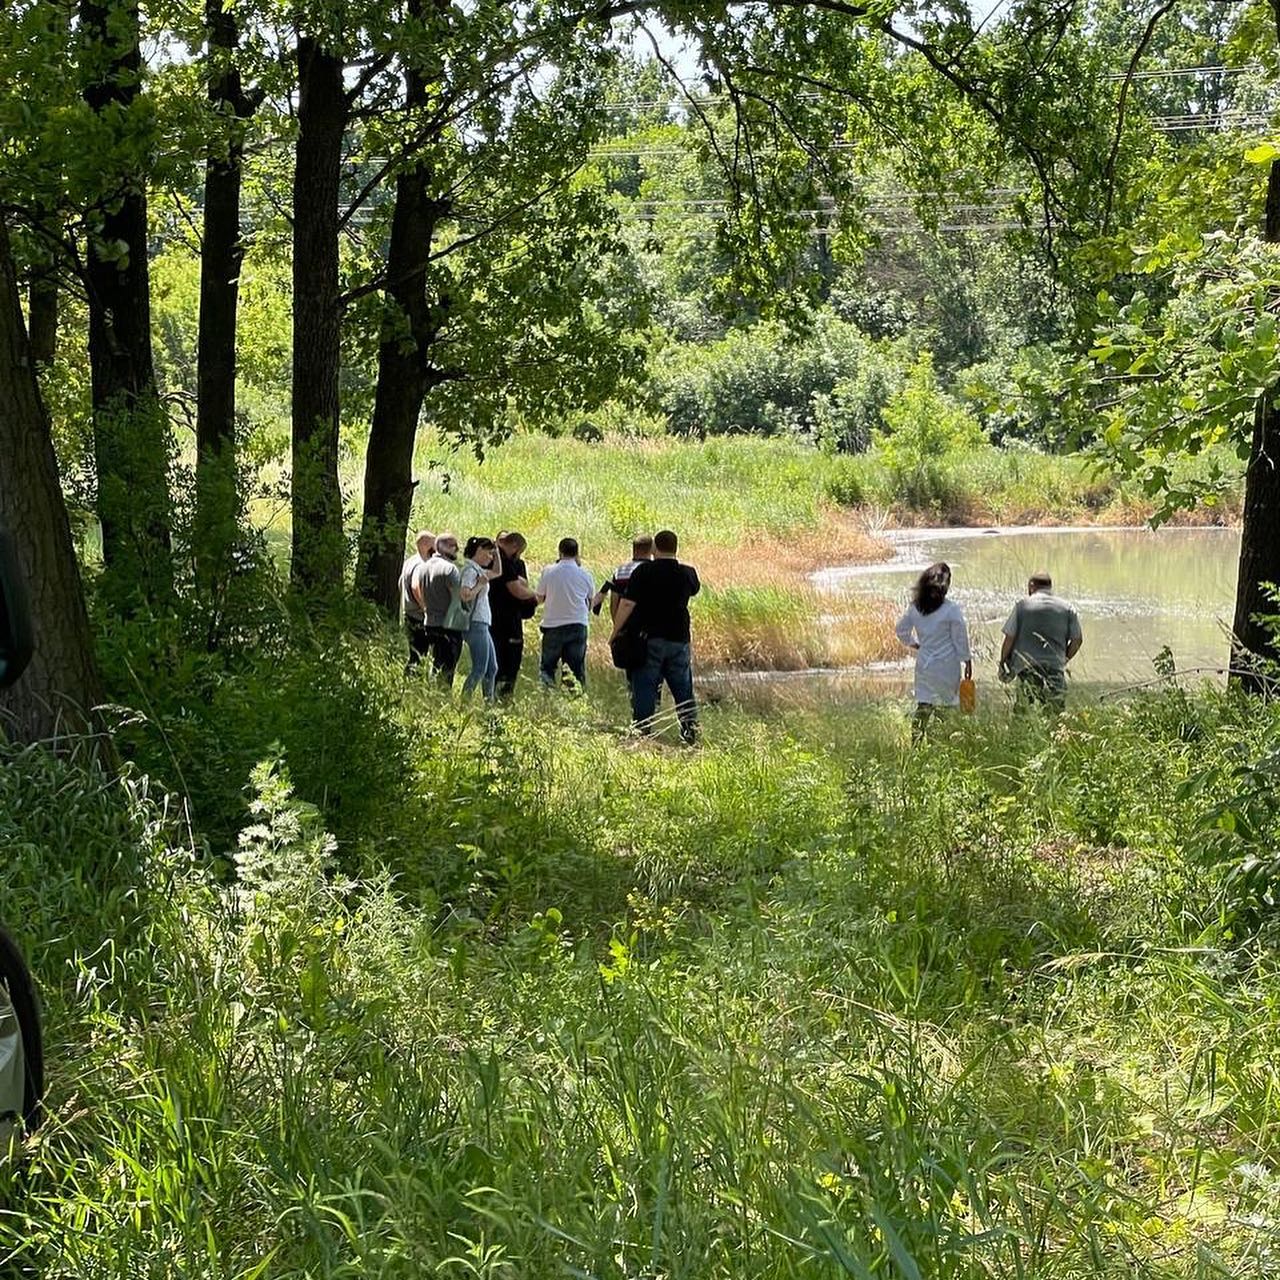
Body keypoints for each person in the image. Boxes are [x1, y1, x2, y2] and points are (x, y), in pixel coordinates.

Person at [611, 528, 700, 744]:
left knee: (645, 687)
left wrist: (615, 632)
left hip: (649, 638)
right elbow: (694, 590)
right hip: (679, 638)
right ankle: (690, 733)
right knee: (683, 688)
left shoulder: (643, 572)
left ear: (654, 549)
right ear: (675, 548)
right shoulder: (688, 573)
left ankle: (643, 734)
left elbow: (627, 603)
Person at [894, 561, 972, 738]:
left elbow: (901, 630)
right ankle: (942, 742)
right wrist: (966, 660)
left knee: (924, 704)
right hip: (947, 665)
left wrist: (915, 645)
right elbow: (960, 638)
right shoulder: (951, 609)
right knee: (946, 705)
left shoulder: (916, 608)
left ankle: (915, 743)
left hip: (925, 664)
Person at [1000, 570, 1083, 711]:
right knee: (1055, 715)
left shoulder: (1022, 607)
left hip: (1027, 669)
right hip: (1055, 669)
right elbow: (1077, 640)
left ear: (1032, 586)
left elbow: (1009, 638)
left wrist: (1002, 662)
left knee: (1024, 714)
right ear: (1050, 587)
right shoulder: (1067, 608)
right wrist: (1064, 658)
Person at [535, 537, 595, 688]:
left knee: (548, 667)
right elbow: (590, 601)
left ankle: (547, 698)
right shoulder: (585, 574)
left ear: (560, 551)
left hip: (553, 625)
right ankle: (574, 700)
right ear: (577, 553)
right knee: (575, 670)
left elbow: (540, 598)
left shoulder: (548, 571)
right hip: (577, 623)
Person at [490, 531, 538, 698]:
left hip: (491, 619)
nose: (518, 555)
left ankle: (492, 696)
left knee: (494, 661)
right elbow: (517, 590)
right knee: (509, 663)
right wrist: (535, 596)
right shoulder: (505, 561)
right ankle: (503, 698)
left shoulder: (492, 558)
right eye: (519, 551)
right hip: (507, 621)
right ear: (515, 546)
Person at [416, 532, 465, 685]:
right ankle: (443, 699)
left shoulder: (423, 567)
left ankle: (432, 697)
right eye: (453, 546)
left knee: (436, 663)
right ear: (442, 547)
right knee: (448, 669)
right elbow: (459, 597)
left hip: (430, 623)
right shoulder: (450, 569)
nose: (456, 550)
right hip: (448, 625)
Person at [459, 536, 502, 699]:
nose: (491, 557)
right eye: (489, 553)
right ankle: (464, 704)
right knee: (479, 668)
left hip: (483, 623)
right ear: (479, 550)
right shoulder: (470, 571)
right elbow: (465, 595)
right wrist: (480, 585)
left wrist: (497, 552)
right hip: (475, 623)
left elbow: (497, 572)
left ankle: (489, 707)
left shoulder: (478, 570)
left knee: (492, 668)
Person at [593, 535, 654, 621]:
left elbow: (614, 602)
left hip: (626, 622)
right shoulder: (655, 569)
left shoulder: (621, 571)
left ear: (634, 549)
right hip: (650, 622)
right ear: (651, 550)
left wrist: (616, 624)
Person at [400, 529, 435, 671]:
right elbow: (415, 586)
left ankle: (409, 685)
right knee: (418, 656)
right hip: (418, 616)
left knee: (415, 655)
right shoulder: (421, 564)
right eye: (434, 544)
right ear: (425, 545)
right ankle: (411, 687)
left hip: (408, 613)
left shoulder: (409, 561)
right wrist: (425, 608)